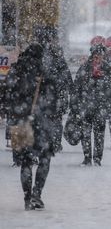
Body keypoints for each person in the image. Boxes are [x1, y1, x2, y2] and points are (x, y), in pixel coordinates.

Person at [6, 42, 64, 210]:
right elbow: (54, 101)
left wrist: (15, 112)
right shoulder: (44, 72)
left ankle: (26, 197)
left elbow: (7, 95)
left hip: (21, 121)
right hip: (42, 122)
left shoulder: (16, 71)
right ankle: (37, 194)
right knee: (44, 158)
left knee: (25, 161)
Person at [72, 36, 111, 166]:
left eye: (100, 56)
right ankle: (87, 158)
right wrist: (75, 105)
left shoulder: (107, 69)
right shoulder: (85, 68)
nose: (98, 58)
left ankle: (97, 158)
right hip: (86, 106)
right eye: (96, 56)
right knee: (85, 134)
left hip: (101, 107)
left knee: (99, 134)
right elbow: (76, 87)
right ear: (92, 55)